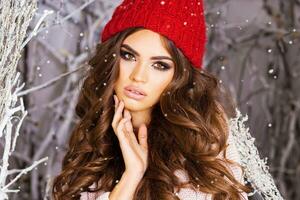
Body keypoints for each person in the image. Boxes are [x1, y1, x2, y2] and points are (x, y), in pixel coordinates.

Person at [51, 0, 254, 199]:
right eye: (129, 56)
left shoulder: (202, 153)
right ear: (111, 57)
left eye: (160, 65)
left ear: (180, 77)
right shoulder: (94, 144)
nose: (139, 76)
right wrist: (131, 177)